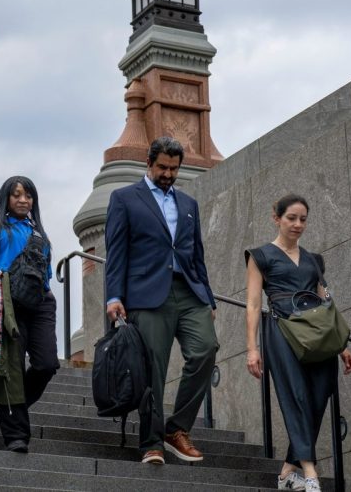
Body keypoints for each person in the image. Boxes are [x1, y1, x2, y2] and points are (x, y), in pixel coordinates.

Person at [104, 136, 218, 465]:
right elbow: (116, 252)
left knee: (206, 349)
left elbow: (196, 255)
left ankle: (177, 428)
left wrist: (208, 298)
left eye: (174, 169)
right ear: (149, 163)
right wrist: (114, 296)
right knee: (153, 368)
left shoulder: (188, 204)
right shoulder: (125, 198)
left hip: (189, 291)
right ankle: (151, 442)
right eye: (163, 167)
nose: (168, 174)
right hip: (147, 293)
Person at [245, 194, 351, 492]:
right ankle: (310, 472)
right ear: (276, 218)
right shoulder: (260, 256)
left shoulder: (313, 260)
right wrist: (252, 348)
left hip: (317, 334)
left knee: (320, 394)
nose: (297, 224)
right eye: (291, 218)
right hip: (281, 330)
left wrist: (341, 345)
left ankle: (287, 472)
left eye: (303, 219)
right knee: (295, 395)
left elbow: (324, 300)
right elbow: (253, 304)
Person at [0, 175, 58, 453]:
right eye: (16, 195)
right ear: (6, 199)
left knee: (47, 364)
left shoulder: (39, 235)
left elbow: (46, 274)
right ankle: (16, 434)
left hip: (41, 301)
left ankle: (8, 404)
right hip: (8, 299)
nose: (23, 200)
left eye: (28, 195)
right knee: (13, 368)